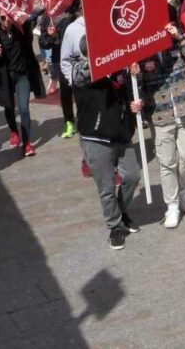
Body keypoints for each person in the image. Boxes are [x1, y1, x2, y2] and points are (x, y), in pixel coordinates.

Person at [64, 31, 143, 248]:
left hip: (121, 134)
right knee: (106, 188)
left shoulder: (121, 67)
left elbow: (130, 93)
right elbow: (81, 78)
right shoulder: (80, 68)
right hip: (95, 137)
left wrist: (134, 98)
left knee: (133, 176)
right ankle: (114, 227)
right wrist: (104, 58)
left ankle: (121, 211)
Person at [138, 21, 185, 229]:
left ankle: (181, 188)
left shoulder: (175, 40)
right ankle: (172, 205)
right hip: (160, 112)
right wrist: (135, 73)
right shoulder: (140, 47)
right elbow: (136, 86)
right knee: (167, 162)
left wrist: (180, 38)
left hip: (184, 107)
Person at [0, 12, 45, 157]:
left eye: (9, 16)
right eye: (3, 18)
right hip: (5, 76)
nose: (6, 20)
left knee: (23, 108)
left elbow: (30, 24)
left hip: (22, 74)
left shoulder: (21, 30)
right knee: (9, 106)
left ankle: (27, 143)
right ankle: (14, 130)